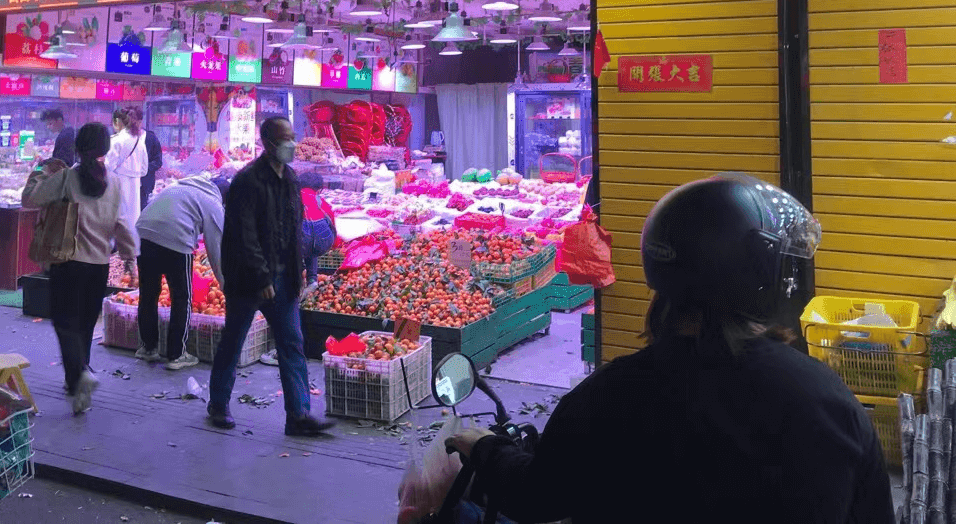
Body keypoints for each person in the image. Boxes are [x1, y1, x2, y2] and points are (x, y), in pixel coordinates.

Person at [445, 173, 895, 524]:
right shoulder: (825, 398)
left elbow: (536, 497)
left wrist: (486, 449)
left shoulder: (608, 395)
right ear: (765, 279)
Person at [206, 116, 333, 437]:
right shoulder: (247, 181)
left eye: (292, 136)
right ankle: (218, 403)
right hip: (247, 278)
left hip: (284, 275)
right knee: (234, 340)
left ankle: (299, 415)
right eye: (284, 139)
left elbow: (294, 229)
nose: (291, 144)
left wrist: (300, 271)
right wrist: (261, 278)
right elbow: (243, 235)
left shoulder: (290, 178)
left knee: (292, 343)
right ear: (268, 143)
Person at [22, 122, 136, 414]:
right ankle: (77, 385)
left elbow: (31, 198)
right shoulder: (114, 182)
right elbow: (122, 224)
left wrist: (40, 169)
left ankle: (79, 376)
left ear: (77, 147)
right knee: (84, 325)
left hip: (69, 263)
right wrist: (130, 258)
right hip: (99, 267)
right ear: (105, 148)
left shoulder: (66, 178)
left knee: (64, 323)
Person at [134, 174, 229, 370]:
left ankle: (148, 348)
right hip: (176, 239)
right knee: (181, 297)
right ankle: (177, 355)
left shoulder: (180, 186)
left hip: (143, 233)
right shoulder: (213, 202)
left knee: (148, 293)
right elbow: (215, 248)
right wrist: (224, 282)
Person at [260, 169, 336, 367]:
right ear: (319, 189)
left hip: (299, 244)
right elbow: (333, 226)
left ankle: (283, 350)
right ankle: (312, 279)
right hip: (323, 242)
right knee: (310, 244)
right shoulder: (321, 202)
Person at [106, 107, 149, 235]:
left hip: (117, 186)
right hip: (135, 186)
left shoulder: (115, 140)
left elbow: (108, 167)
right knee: (132, 224)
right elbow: (144, 170)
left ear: (118, 122)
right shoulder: (140, 142)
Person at [132, 106, 162, 211]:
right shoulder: (123, 139)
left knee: (142, 210)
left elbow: (158, 161)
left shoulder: (150, 138)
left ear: (140, 121)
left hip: (145, 185)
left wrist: (143, 169)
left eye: (133, 121)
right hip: (127, 184)